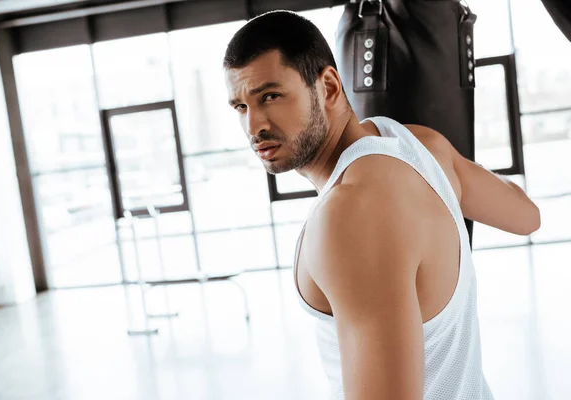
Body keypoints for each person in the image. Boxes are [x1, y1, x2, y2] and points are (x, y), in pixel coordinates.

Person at [223, 10, 540, 400]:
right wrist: (451, 181)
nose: (254, 125)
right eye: (240, 107)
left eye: (270, 96)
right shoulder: (423, 147)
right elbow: (527, 216)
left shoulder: (350, 212)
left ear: (329, 87)